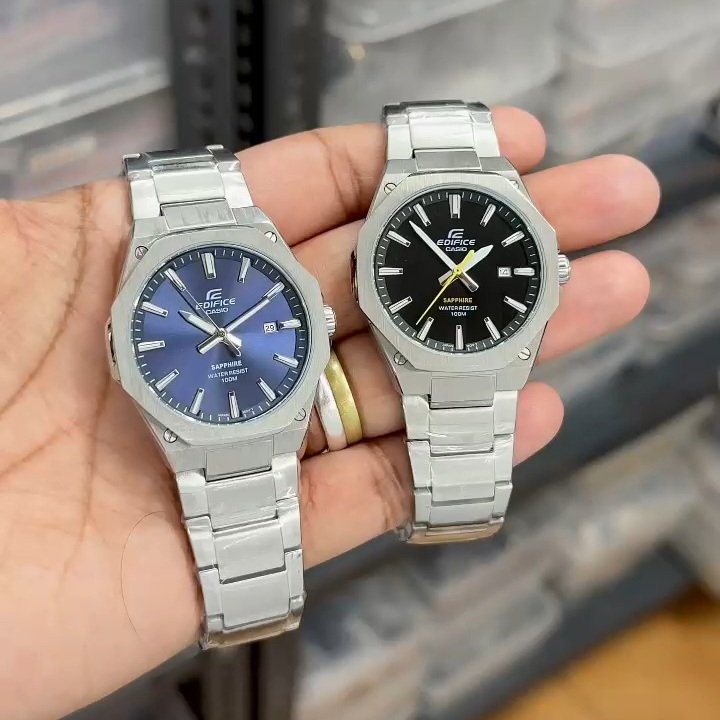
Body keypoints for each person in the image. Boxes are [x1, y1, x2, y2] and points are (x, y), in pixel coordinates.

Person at [0, 109, 658, 720]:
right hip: (210, 415)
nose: (227, 337)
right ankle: (246, 601)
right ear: (120, 349)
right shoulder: (184, 324)